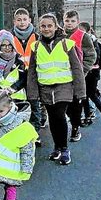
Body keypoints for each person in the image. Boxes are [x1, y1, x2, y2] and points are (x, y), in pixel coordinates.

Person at [27, 13, 86, 165]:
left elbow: (77, 69)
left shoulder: (67, 44)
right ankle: (57, 147)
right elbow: (32, 72)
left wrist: (80, 92)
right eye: (43, 26)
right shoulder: (36, 46)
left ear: (55, 26)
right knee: (53, 119)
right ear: (39, 28)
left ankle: (65, 149)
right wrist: (32, 94)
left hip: (64, 87)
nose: (46, 29)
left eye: (49, 26)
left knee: (59, 115)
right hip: (45, 89)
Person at [11, 8, 48, 134]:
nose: (22, 22)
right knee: (19, 103)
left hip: (34, 74)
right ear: (14, 21)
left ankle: (35, 130)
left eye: (24, 19)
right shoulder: (9, 38)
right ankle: (20, 127)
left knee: (35, 102)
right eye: (19, 20)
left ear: (30, 20)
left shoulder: (37, 37)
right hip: (17, 76)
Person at [63, 10, 96, 142]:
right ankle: (71, 119)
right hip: (61, 76)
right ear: (63, 21)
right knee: (63, 103)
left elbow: (91, 55)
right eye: (67, 21)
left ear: (77, 22)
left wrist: (82, 71)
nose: (69, 24)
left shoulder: (83, 36)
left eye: (72, 21)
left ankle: (75, 127)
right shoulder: (59, 35)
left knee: (76, 103)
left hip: (77, 77)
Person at [78, 21, 101, 126]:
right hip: (85, 72)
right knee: (84, 96)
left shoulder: (93, 43)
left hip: (92, 73)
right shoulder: (82, 42)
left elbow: (98, 60)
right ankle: (88, 116)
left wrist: (93, 69)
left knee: (91, 94)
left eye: (82, 31)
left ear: (88, 31)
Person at [0, 29, 27, 102]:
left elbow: (23, 79)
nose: (7, 48)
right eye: (4, 45)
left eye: (9, 45)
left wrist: (12, 89)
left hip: (17, 98)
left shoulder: (19, 60)